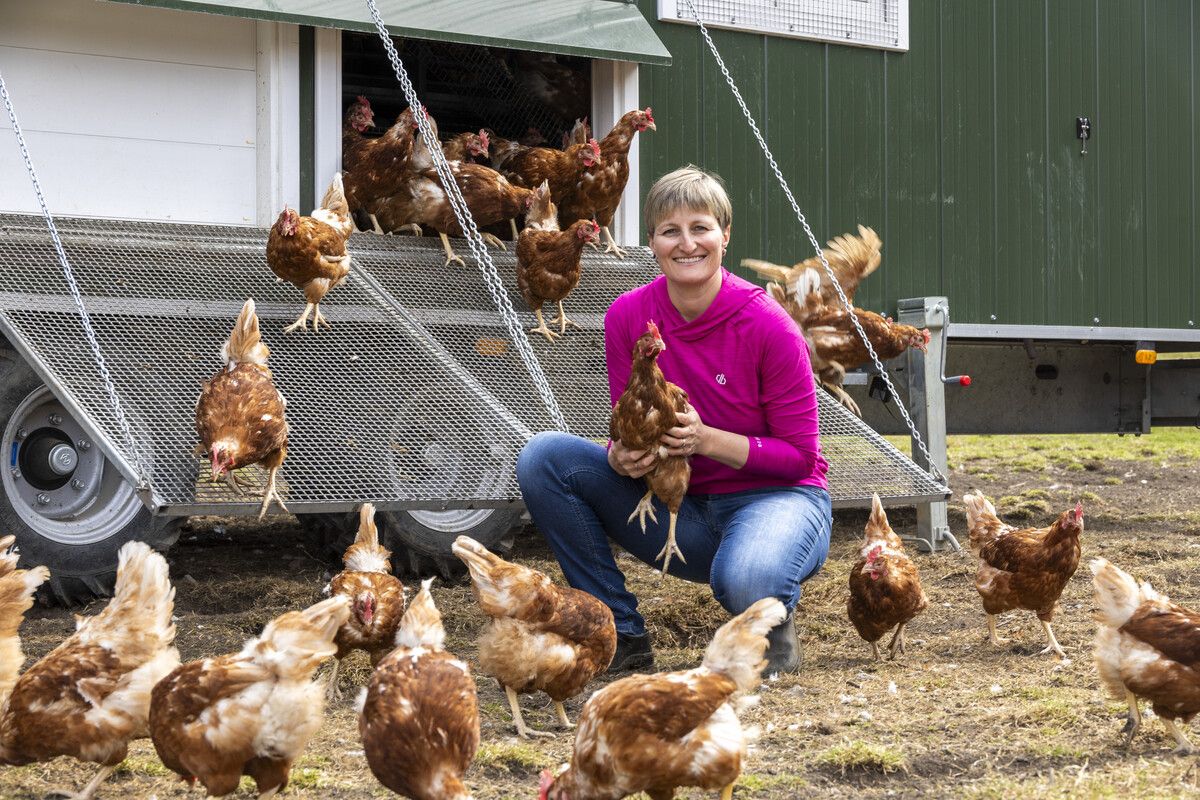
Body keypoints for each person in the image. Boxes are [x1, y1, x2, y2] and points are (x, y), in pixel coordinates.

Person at [516, 165, 831, 673]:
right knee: (544, 458)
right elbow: (631, 420)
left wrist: (706, 439)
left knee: (747, 577)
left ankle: (768, 620)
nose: (687, 244)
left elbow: (800, 458)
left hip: (776, 500)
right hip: (676, 508)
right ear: (652, 242)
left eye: (701, 228)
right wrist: (623, 458)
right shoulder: (628, 317)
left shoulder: (768, 327)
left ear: (724, 236)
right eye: (670, 231)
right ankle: (617, 634)